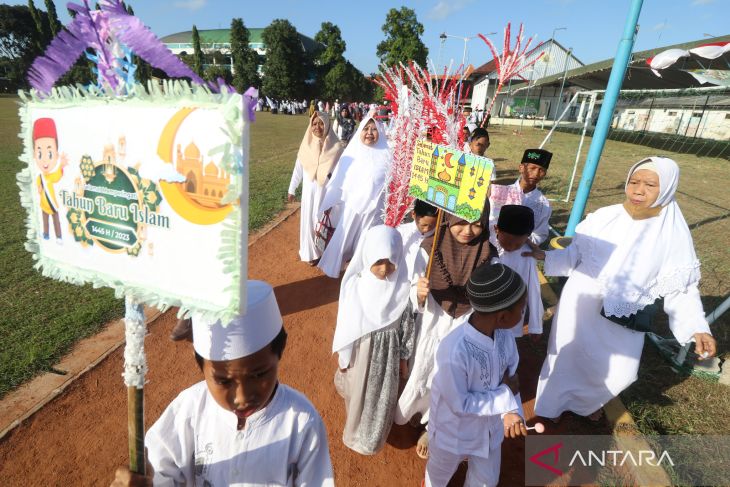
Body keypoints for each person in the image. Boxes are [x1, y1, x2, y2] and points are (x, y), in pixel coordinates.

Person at [527, 157, 717, 423]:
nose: (638, 190)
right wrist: (543, 256)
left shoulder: (672, 233)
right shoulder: (604, 217)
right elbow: (574, 255)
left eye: (650, 184)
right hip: (581, 303)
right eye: (634, 182)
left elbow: (681, 287)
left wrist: (697, 327)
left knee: (621, 370)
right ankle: (551, 406)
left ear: (667, 188)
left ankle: (585, 402)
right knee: (566, 357)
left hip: (626, 313)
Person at [110, 281, 334, 486]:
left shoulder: (302, 422)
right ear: (202, 369)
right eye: (223, 380)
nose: (242, 397)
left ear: (279, 354)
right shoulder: (188, 410)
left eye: (259, 374)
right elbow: (160, 471)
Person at [396, 209, 498, 459]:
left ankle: (432, 427)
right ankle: (417, 411)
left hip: (463, 325)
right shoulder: (429, 248)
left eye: (476, 224)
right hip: (431, 320)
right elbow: (413, 284)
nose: (467, 230)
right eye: (460, 222)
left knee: (449, 377)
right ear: (449, 219)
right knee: (422, 367)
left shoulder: (489, 256)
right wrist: (418, 292)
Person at [426, 263, 527, 486]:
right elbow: (459, 403)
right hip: (453, 434)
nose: (523, 314)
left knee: (485, 481)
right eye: (521, 309)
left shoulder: (505, 336)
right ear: (502, 317)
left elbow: (511, 379)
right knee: (439, 474)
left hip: (490, 431)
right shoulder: (454, 351)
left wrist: (511, 411)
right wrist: (505, 398)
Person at [332, 225, 416, 455]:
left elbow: (406, 326)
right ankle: (354, 430)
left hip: (387, 357)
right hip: (361, 352)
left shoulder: (403, 288)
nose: (384, 268)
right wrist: (344, 354)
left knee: (380, 398)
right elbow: (347, 323)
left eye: (390, 261)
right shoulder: (355, 287)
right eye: (378, 261)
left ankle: (370, 438)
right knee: (357, 392)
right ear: (367, 255)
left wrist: (403, 357)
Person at [317, 116, 391, 278]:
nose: (370, 133)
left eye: (373, 129)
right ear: (360, 131)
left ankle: (362, 271)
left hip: (376, 210)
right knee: (345, 239)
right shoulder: (352, 152)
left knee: (368, 241)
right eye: (366, 129)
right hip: (354, 207)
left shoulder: (387, 152)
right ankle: (337, 266)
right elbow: (339, 181)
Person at [288, 112, 346, 265]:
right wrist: (292, 189)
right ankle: (310, 253)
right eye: (314, 124)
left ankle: (323, 252)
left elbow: (342, 172)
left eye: (321, 123)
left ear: (327, 125)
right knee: (308, 221)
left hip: (326, 192)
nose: (317, 127)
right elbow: (298, 169)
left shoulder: (337, 147)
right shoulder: (306, 146)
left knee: (323, 222)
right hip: (309, 193)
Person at [493, 205, 543, 339]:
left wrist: (535, 326)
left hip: (512, 315)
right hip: (487, 312)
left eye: (517, 245)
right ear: (496, 229)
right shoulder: (488, 246)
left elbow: (534, 289)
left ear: (527, 237)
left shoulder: (527, 256)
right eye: (507, 242)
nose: (511, 247)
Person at [489, 148, 552, 245]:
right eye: (532, 168)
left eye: (541, 170)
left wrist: (518, 240)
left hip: (520, 254)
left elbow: (540, 235)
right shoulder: (498, 192)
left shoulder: (543, 204)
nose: (536, 174)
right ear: (521, 168)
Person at [33, 118, 68, 243]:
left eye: (50, 154)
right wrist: (39, 188)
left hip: (52, 204)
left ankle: (58, 236)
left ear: (56, 154)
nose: (44, 161)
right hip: (43, 204)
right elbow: (38, 187)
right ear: (34, 154)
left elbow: (57, 177)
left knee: (55, 220)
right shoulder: (40, 177)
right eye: (39, 154)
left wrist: (61, 166)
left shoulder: (50, 177)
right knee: (45, 220)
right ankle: (46, 233)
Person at [397, 200, 439, 281]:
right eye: (423, 225)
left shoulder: (439, 236)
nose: (427, 229)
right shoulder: (400, 232)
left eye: (432, 225)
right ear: (413, 214)